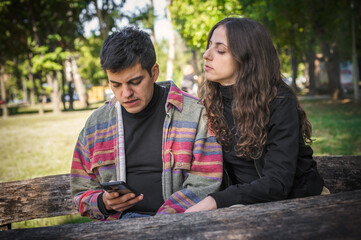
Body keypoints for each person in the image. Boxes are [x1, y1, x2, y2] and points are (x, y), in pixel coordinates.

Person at [70, 26, 222, 220]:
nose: (125, 94)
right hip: (118, 228)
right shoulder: (96, 125)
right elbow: (80, 189)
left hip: (178, 224)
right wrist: (103, 203)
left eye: (135, 82)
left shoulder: (195, 115)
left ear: (154, 72)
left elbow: (206, 183)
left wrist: (158, 223)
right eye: (115, 84)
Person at [185, 17, 327, 213]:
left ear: (247, 58)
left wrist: (216, 201)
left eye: (220, 50)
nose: (206, 55)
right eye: (209, 46)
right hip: (244, 206)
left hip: (301, 203)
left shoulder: (279, 102)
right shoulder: (212, 103)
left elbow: (278, 183)